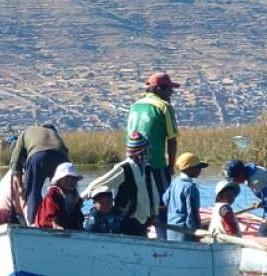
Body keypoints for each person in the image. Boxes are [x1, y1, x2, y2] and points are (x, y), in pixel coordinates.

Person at [126, 72, 181, 239]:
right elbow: (172, 140)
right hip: (156, 163)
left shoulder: (134, 106)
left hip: (134, 166)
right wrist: (171, 166)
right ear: (159, 89)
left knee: (140, 203)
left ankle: (141, 236)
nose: (171, 93)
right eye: (169, 89)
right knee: (163, 204)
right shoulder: (164, 107)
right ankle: (164, 239)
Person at [81, 132, 158, 236]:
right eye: (145, 150)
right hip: (126, 218)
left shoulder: (147, 169)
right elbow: (101, 182)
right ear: (140, 151)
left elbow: (153, 194)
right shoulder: (124, 168)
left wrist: (153, 214)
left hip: (143, 220)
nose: (148, 153)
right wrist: (81, 198)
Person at [8, 123, 70, 225]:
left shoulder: (26, 132)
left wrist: (20, 187)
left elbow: (15, 161)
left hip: (38, 156)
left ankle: (34, 224)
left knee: (33, 192)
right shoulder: (54, 133)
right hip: (61, 156)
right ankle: (66, 223)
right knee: (63, 192)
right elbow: (66, 155)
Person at [163, 152, 207, 241]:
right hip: (185, 232)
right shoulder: (190, 187)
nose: (200, 170)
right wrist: (196, 232)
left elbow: (165, 199)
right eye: (197, 167)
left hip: (171, 227)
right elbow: (192, 214)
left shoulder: (175, 182)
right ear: (189, 169)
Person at [34, 162, 85, 230]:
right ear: (59, 180)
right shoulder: (53, 193)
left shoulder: (75, 197)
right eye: (66, 179)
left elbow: (77, 213)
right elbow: (51, 210)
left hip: (65, 225)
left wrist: (79, 225)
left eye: (73, 179)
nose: (70, 182)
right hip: (47, 226)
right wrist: (55, 224)